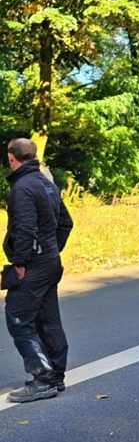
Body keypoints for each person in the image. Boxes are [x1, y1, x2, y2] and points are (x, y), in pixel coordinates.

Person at [3, 138, 73, 403]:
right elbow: (66, 222)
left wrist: (20, 263)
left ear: (11, 157)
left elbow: (25, 229)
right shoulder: (47, 183)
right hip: (49, 261)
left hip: (33, 264)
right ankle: (56, 375)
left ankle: (42, 379)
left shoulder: (22, 188)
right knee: (48, 318)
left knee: (19, 318)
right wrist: (53, 248)